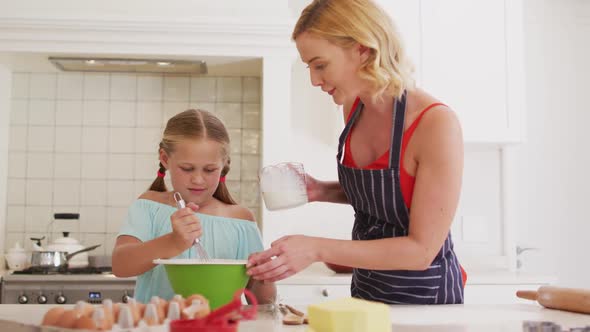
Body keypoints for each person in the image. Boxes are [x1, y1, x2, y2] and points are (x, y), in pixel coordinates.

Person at [247, 0, 466, 304]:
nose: (314, 80)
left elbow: (421, 250)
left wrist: (316, 248)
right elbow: (387, 196)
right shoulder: (353, 108)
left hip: (425, 301)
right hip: (366, 292)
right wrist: (321, 190)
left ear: (363, 49)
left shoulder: (435, 124)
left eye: (320, 65)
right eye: (309, 67)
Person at [112, 109, 276, 304]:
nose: (198, 179)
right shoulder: (149, 206)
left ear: (223, 165)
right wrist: (173, 242)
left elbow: (264, 301)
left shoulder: (240, 220)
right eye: (187, 168)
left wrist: (264, 274)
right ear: (165, 159)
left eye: (209, 170)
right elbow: (120, 265)